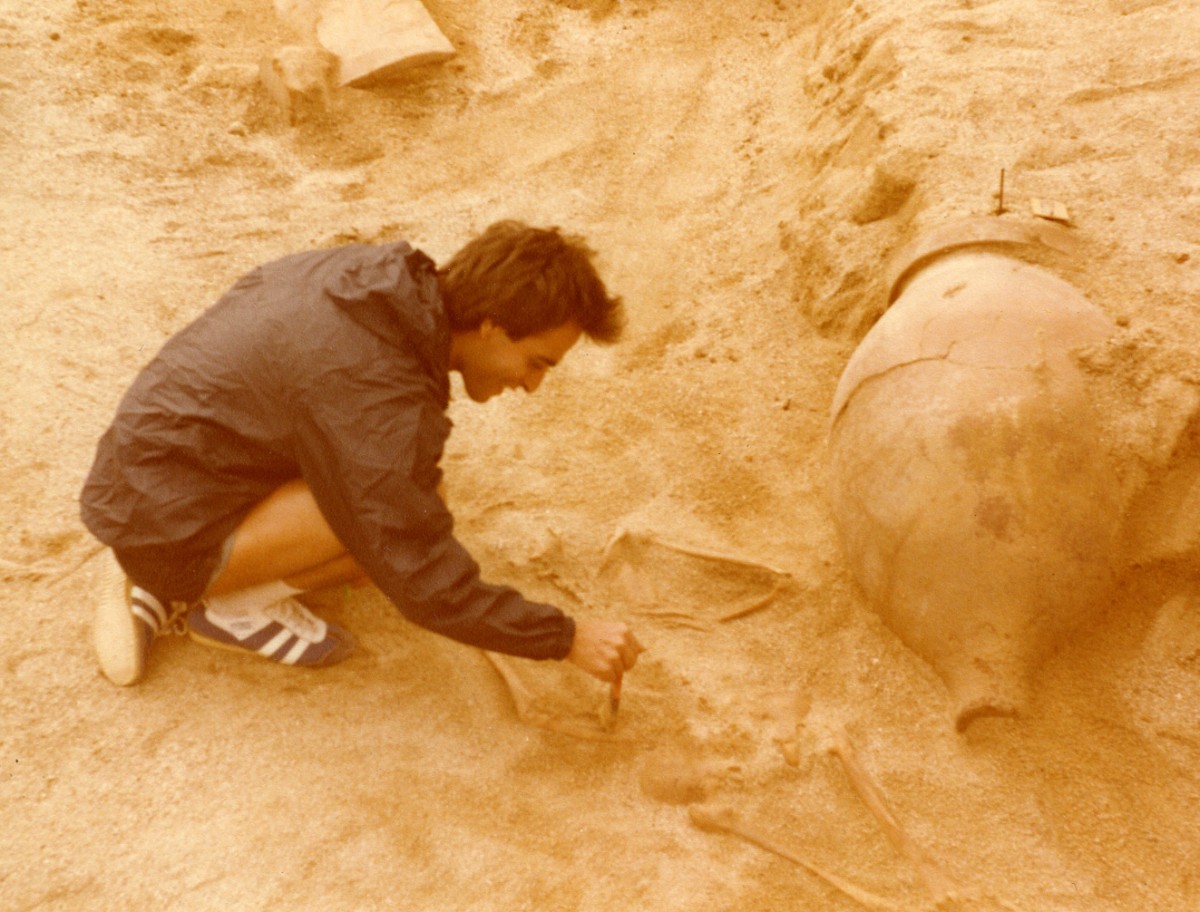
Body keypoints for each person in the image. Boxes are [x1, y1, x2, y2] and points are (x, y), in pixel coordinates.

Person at [81, 220, 644, 688]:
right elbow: (420, 577)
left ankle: (175, 565)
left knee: (399, 490)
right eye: (537, 363)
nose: (532, 385)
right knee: (387, 528)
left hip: (139, 476)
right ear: (493, 325)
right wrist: (565, 638)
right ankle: (225, 606)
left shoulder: (375, 277)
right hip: (161, 525)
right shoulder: (380, 392)